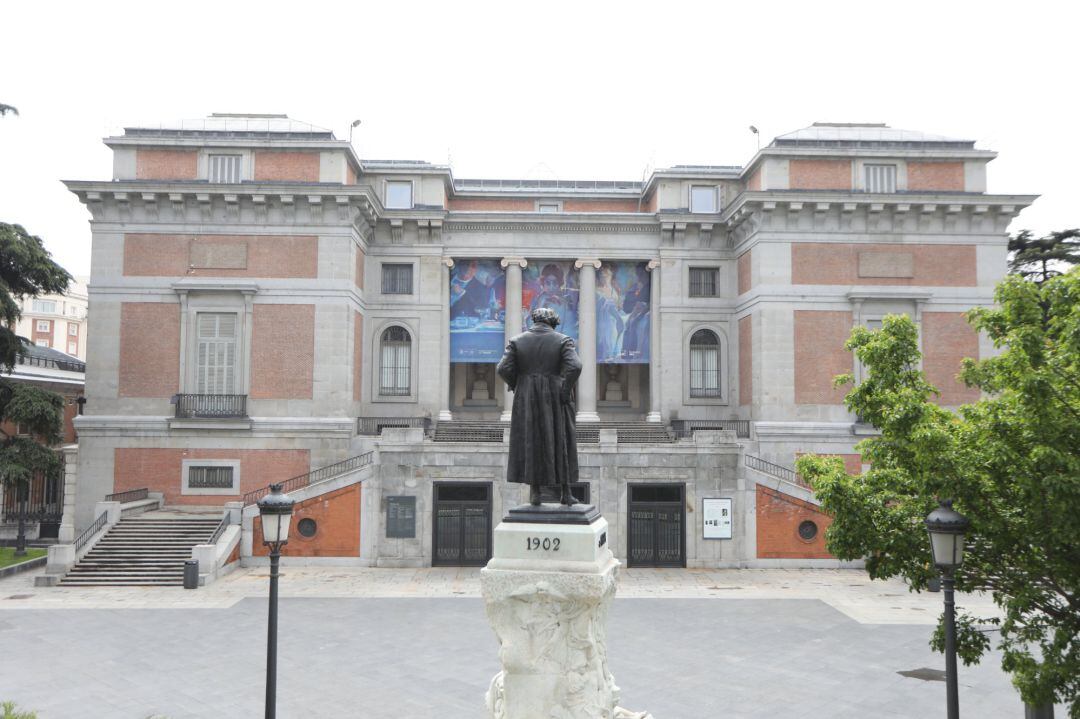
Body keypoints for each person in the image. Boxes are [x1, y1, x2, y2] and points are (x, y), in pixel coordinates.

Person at [496, 307, 582, 505]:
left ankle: (534, 493)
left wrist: (517, 383)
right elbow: (575, 366)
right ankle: (566, 492)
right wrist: (565, 388)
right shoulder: (563, 340)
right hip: (556, 394)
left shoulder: (517, 341)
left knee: (530, 439)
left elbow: (502, 368)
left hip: (527, 397)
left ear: (534, 320)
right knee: (562, 440)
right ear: (553, 322)